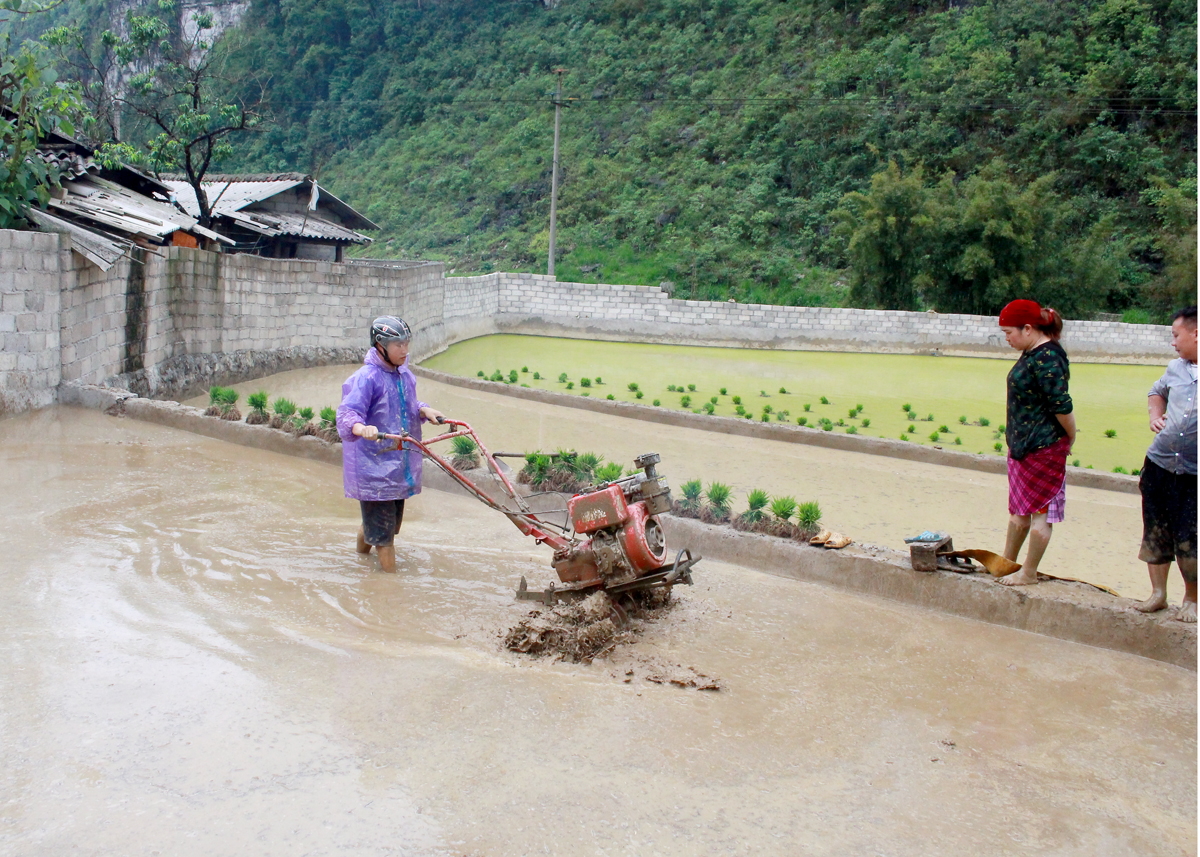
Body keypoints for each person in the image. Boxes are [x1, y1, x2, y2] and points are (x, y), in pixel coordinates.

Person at [337, 316, 445, 573]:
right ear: (380, 344)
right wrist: (361, 428)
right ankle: (388, 585)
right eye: (398, 345)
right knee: (385, 539)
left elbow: (403, 408)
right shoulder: (366, 378)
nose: (405, 350)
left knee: (379, 525)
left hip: (397, 467)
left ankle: (360, 560)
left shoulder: (404, 374)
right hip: (374, 469)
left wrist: (424, 410)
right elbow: (347, 414)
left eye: (406, 343)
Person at [997, 299, 1076, 586]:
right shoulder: (1031, 353)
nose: (1006, 338)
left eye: (1009, 332)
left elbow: (1061, 405)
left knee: (1041, 515)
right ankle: (1005, 565)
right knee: (1018, 513)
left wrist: (1072, 435)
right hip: (1022, 446)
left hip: (1043, 448)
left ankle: (1028, 572)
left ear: (1028, 329)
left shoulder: (1049, 358)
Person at [1134, 306, 1197, 622]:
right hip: (1160, 465)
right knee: (1156, 530)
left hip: (1194, 472)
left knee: (1191, 536)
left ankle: (1192, 599)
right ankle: (1158, 594)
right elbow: (1156, 392)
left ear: (1195, 333)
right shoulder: (1175, 368)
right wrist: (1154, 416)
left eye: (1176, 335)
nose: (1173, 343)